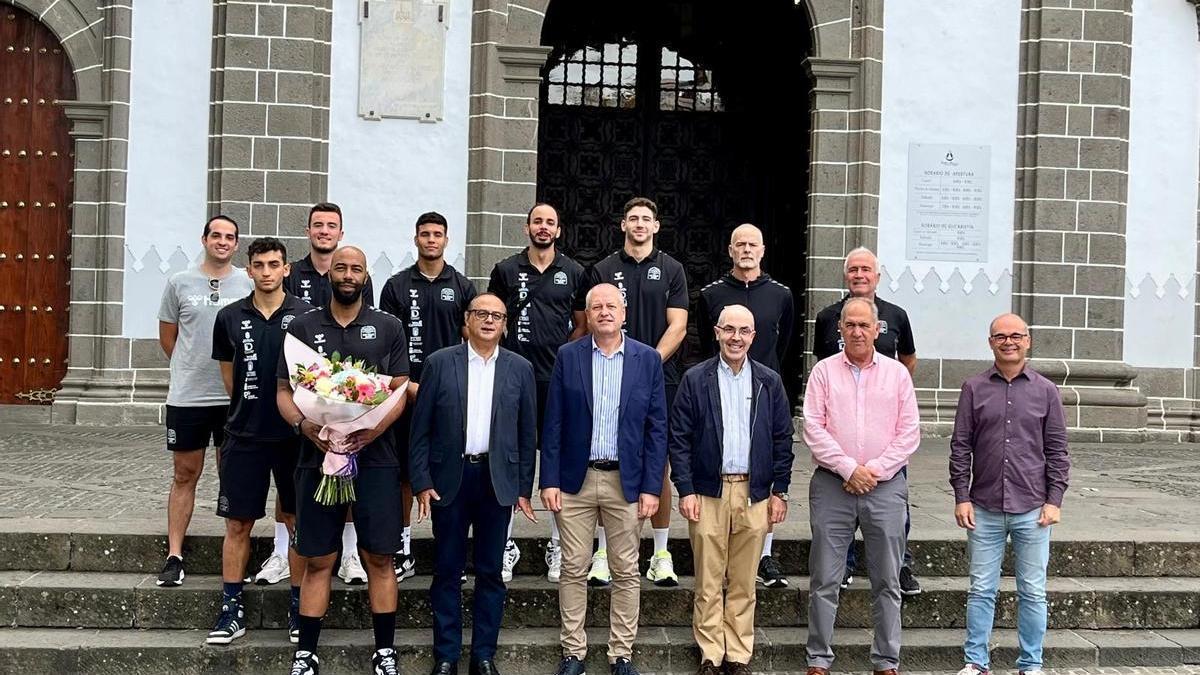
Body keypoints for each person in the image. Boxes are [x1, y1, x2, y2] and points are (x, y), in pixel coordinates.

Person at [277, 247, 410, 675]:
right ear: (327, 274)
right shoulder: (302, 326)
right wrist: (307, 427)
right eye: (340, 268)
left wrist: (371, 429)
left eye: (355, 268)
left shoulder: (388, 327)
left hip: (376, 459)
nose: (348, 275)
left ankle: (385, 651)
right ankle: (306, 652)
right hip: (316, 458)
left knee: (379, 558)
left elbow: (400, 387)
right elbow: (284, 391)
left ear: (366, 275)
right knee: (318, 559)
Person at [541, 283, 668, 675]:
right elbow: (554, 420)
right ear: (588, 314)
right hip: (576, 481)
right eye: (596, 306)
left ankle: (621, 652)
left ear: (624, 313)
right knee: (574, 566)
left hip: (625, 481)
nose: (604, 312)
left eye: (611, 306)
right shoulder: (569, 355)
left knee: (626, 570)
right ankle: (573, 652)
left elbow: (657, 428)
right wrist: (548, 479)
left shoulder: (647, 360)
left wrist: (651, 488)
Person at [409, 293, 539, 675]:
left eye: (496, 316)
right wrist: (421, 480)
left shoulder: (520, 368)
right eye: (481, 314)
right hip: (450, 479)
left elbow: (526, 432)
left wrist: (522, 488)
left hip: (497, 480)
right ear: (467, 320)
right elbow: (421, 431)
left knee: (490, 571)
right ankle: (446, 655)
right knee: (447, 569)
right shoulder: (438, 363)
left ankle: (484, 655)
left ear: (505, 324)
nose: (488, 320)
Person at [669, 304, 794, 675]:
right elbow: (680, 438)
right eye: (729, 330)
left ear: (753, 337)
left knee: (742, 581)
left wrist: (780, 490)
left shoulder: (769, 382)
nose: (736, 337)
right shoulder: (696, 378)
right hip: (709, 492)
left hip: (753, 492)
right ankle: (711, 652)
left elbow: (782, 438)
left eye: (744, 331)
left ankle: (738, 654)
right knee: (708, 578)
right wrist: (686, 489)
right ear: (717, 332)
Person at [803, 297, 920, 675]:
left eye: (863, 325)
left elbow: (909, 433)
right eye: (849, 325)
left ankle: (886, 660)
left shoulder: (897, 374)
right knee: (825, 578)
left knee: (887, 579)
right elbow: (813, 429)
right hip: (833, 486)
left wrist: (874, 471)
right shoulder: (823, 372)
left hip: (884, 488)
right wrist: (849, 468)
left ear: (877, 329)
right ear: (840, 329)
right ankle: (819, 659)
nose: (856, 331)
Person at [574, 197, 687, 587]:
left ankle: (660, 553)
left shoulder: (672, 269)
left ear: (656, 226)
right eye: (633, 219)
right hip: (605, 372)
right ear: (623, 225)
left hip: (657, 374)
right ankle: (602, 553)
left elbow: (679, 325)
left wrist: (645, 362)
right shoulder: (603, 269)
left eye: (646, 219)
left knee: (660, 463)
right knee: (608, 461)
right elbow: (590, 321)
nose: (639, 224)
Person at [951, 313, 1070, 675]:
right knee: (981, 589)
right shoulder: (973, 388)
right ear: (990, 343)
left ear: (1028, 340)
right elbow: (960, 446)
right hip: (983, 506)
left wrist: (1054, 500)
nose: (1008, 341)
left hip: (1033, 508)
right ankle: (976, 662)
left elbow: (1057, 451)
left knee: (1033, 591)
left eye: (1016, 335)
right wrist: (961, 495)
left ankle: (1031, 663)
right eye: (1000, 336)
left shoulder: (1046, 391)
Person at [206, 237, 307, 645]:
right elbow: (229, 377)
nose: (266, 271)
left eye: (274, 264)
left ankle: (300, 607)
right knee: (238, 523)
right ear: (248, 270)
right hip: (244, 435)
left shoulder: (305, 317)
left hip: (293, 438)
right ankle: (231, 609)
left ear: (286, 269)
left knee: (297, 522)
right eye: (259, 265)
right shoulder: (230, 316)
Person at [276, 201, 376, 587]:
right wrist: (306, 421)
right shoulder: (299, 298)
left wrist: (358, 416)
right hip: (308, 420)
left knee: (350, 483)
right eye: (317, 225)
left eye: (331, 225)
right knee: (291, 490)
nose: (323, 231)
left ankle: (350, 551)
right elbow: (285, 383)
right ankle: (281, 551)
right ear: (308, 230)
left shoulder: (375, 320)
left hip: (357, 418)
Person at [812, 246, 921, 595]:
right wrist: (847, 466)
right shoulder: (828, 315)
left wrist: (889, 393)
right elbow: (821, 363)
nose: (860, 275)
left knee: (893, 515)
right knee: (837, 522)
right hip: (840, 433)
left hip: (882, 437)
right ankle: (843, 566)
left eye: (866, 269)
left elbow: (908, 359)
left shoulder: (897, 314)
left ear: (877, 276)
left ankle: (899, 568)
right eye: (853, 269)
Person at [487, 203, 586, 583]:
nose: (543, 228)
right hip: (513, 377)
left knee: (557, 458)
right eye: (537, 221)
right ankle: (505, 543)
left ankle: (558, 544)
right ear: (526, 227)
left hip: (557, 378)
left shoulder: (574, 272)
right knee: (511, 458)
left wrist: (563, 355)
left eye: (550, 222)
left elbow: (581, 324)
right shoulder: (506, 270)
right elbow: (493, 315)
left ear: (558, 230)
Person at [379, 211, 478, 582]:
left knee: (452, 468)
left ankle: (450, 549)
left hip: (450, 396)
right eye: (425, 234)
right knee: (405, 472)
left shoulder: (463, 286)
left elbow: (473, 341)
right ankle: (403, 547)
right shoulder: (396, 285)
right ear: (415, 239)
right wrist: (405, 384)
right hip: (405, 392)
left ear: (446, 240)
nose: (431, 240)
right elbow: (388, 342)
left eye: (438, 234)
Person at [155, 215, 253, 587]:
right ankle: (175, 555)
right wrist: (189, 367)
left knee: (232, 475)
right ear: (205, 239)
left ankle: (234, 548)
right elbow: (169, 338)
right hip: (188, 397)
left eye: (230, 237)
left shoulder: (247, 282)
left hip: (231, 398)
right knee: (185, 474)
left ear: (236, 244)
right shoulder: (180, 282)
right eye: (217, 235)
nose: (223, 241)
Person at [696, 223, 795, 588]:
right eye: (740, 244)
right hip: (723, 387)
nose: (747, 250)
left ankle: (764, 555)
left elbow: (783, 343)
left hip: (764, 391)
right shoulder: (711, 294)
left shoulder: (781, 295)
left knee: (762, 470)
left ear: (763, 250)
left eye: (753, 244)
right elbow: (709, 343)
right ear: (730, 250)